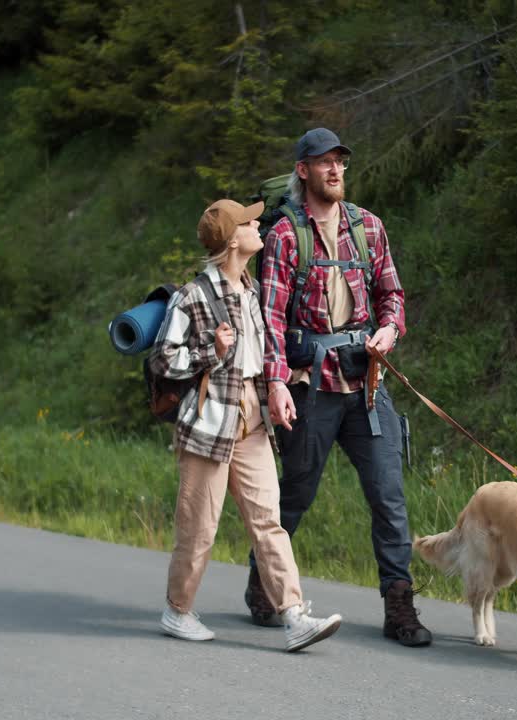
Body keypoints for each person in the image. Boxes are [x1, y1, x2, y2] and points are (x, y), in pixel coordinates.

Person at [245, 128, 432, 647]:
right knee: (297, 492)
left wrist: (389, 330)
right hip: (311, 385)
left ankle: (400, 608)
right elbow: (271, 320)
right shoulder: (284, 235)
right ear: (302, 170)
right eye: (324, 163)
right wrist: (276, 384)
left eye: (341, 163)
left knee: (389, 497)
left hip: (367, 386)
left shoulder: (369, 227)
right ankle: (264, 582)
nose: (335, 171)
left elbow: (391, 294)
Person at [149, 197, 342, 653]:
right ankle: (178, 611)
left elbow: (254, 361)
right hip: (208, 427)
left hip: (252, 425)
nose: (260, 225)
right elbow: (162, 358)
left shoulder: (251, 292)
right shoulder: (193, 296)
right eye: (251, 222)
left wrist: (281, 388)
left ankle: (294, 616)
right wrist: (209, 352)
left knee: (268, 522)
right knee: (199, 529)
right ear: (233, 238)